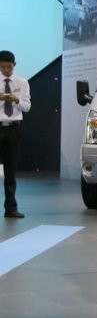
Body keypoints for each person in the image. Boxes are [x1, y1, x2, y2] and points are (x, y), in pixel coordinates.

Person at [0, 50, 31, 219]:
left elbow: (27, 107)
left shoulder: (22, 82)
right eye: (3, 67)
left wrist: (16, 99)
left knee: (10, 170)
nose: (6, 70)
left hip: (14, 128)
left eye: (9, 67)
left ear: (14, 65)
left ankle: (11, 208)